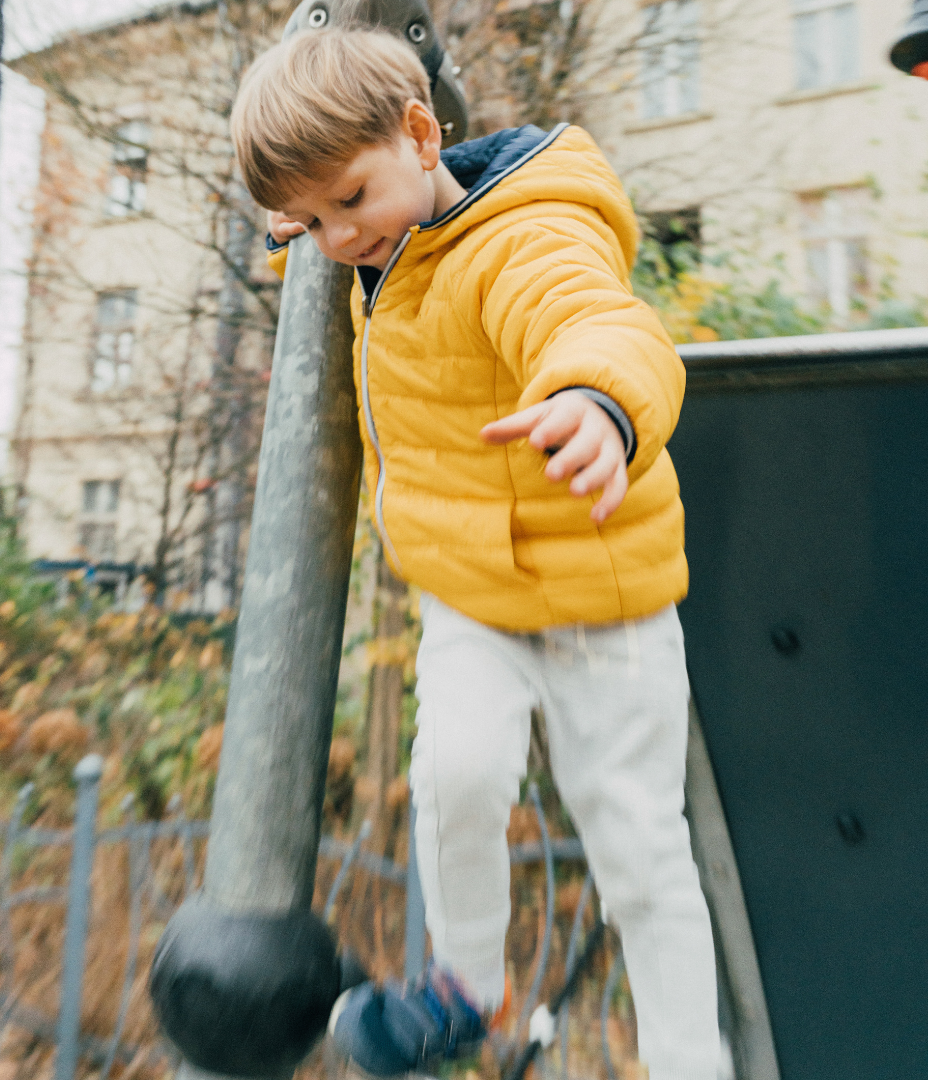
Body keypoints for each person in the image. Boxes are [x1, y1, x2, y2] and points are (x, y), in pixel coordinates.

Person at [230, 26, 722, 1080]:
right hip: (472, 598)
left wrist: (598, 402)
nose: (331, 241)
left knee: (639, 848)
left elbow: (598, 321)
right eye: (306, 222)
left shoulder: (519, 237)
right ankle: (465, 983)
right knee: (455, 780)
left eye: (347, 203)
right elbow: (328, 206)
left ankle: (692, 1060)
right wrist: (313, 204)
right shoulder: (380, 226)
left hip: (605, 598)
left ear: (420, 135)